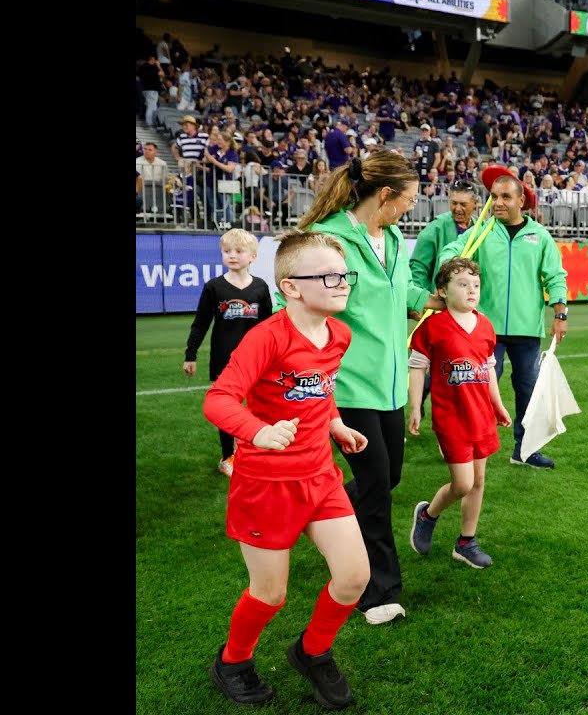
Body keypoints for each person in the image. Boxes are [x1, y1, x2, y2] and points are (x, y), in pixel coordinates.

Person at [202, 230, 370, 709]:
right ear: (292, 287)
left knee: (354, 577)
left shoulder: (340, 333)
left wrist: (335, 423)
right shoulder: (266, 338)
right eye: (330, 276)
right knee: (270, 594)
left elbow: (319, 387)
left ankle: (313, 653)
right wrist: (256, 431)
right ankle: (232, 660)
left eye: (345, 276)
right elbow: (219, 399)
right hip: (266, 484)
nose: (342, 284)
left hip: (320, 475)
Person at [296, 150, 436, 625]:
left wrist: (431, 299)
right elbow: (291, 295)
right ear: (386, 195)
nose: (412, 208)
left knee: (388, 478)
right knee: (378, 489)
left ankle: (323, 516)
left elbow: (398, 294)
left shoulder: (393, 236)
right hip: (348, 386)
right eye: (410, 199)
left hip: (391, 385)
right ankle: (376, 592)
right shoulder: (330, 240)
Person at [437, 167, 567, 469]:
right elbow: (456, 249)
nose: (498, 202)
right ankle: (467, 447)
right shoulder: (482, 231)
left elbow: (555, 276)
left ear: (521, 201)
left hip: (527, 330)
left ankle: (525, 450)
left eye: (506, 197)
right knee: (477, 389)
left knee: (528, 391)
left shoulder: (540, 237)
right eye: (494, 197)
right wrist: (449, 260)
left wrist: (560, 312)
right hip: (485, 330)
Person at [407, 257, 512, 569]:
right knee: (463, 483)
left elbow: (489, 369)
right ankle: (428, 515)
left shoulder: (485, 326)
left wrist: (498, 404)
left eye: (475, 285)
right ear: (442, 290)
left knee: (479, 480)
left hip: (481, 415)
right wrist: (415, 406)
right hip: (451, 416)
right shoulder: (432, 327)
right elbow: (417, 367)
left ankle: (466, 542)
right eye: (462, 284)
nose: (471, 291)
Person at [183, 228, 274, 476]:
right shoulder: (214, 287)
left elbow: (269, 326)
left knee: (258, 406)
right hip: (224, 358)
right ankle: (228, 457)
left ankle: (254, 450)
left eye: (238, 251)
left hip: (257, 359)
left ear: (252, 256)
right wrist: (190, 355)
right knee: (228, 408)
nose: (232, 255)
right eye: (226, 251)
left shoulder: (260, 288)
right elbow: (201, 323)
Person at [408, 180, 480, 415]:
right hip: (438, 307)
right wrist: (419, 301)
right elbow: (419, 266)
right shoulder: (435, 229)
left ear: (476, 205)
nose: (457, 208)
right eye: (453, 203)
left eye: (463, 204)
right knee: (433, 362)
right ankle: (421, 405)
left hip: (466, 310)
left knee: (459, 364)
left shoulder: (482, 229)